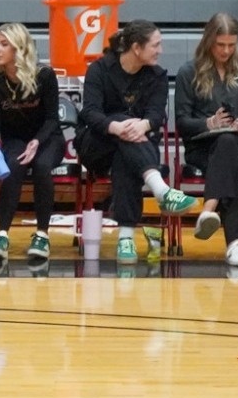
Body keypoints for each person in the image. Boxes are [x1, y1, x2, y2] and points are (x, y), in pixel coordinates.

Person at [76, 22, 200, 265]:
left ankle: (126, 238)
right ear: (136, 47)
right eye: (155, 45)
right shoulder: (99, 70)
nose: (160, 50)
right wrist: (117, 127)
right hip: (96, 144)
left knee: (126, 158)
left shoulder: (157, 76)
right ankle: (162, 191)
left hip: (134, 148)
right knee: (123, 123)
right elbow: (90, 112)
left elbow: (156, 115)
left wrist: (142, 126)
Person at [174, 13, 238, 268]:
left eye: (231, 45)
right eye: (220, 45)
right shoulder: (188, 72)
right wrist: (208, 123)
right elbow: (181, 122)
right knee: (227, 153)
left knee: (228, 142)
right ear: (208, 42)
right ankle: (235, 243)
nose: (226, 50)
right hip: (201, 146)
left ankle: (209, 209)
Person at [0, 23, 63, 263]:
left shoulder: (44, 76)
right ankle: (2, 234)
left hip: (47, 137)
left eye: (4, 44)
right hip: (15, 138)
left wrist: (36, 141)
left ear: (19, 48)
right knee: (13, 167)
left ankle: (42, 235)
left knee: (43, 167)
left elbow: (52, 119)